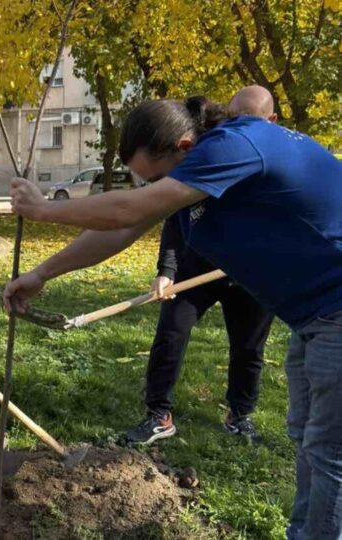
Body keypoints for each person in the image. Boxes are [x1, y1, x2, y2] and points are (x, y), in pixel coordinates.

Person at [4, 96, 342, 539]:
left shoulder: (235, 144)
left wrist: (44, 210)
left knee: (328, 448)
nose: (153, 188)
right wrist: (41, 273)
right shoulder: (201, 162)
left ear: (185, 146)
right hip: (313, 315)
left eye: (157, 178)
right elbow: (124, 228)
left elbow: (130, 210)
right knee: (307, 437)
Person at [126, 88, 278, 445]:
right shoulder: (206, 158)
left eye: (250, 121)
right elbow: (173, 219)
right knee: (170, 335)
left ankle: (240, 415)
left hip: (249, 274)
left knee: (249, 348)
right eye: (234, 119)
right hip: (197, 269)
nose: (241, 129)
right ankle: (158, 416)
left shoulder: (265, 163)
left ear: (271, 122)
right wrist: (167, 270)